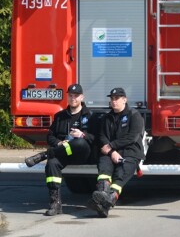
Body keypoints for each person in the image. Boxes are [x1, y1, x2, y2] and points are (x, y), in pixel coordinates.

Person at [24, 84, 96, 216]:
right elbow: (50, 136)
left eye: (76, 96)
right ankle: (55, 204)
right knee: (52, 163)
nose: (73, 98)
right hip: (63, 153)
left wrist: (83, 135)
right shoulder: (59, 116)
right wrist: (59, 142)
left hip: (82, 154)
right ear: (67, 97)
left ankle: (45, 154)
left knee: (79, 143)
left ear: (82, 97)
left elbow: (96, 138)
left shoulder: (90, 116)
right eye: (70, 95)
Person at [87, 87, 145, 218]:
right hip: (110, 152)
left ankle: (105, 202)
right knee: (104, 167)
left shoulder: (134, 115)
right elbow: (102, 136)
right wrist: (112, 151)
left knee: (121, 173)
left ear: (124, 99)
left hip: (131, 151)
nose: (114, 101)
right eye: (112, 99)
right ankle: (102, 195)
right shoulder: (107, 118)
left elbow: (132, 137)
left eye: (117, 99)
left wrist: (111, 146)